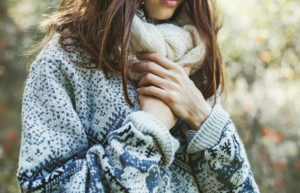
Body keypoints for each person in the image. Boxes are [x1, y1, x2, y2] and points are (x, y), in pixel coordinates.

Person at [17, 0, 260, 192]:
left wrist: (204, 120)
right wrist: (147, 131)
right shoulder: (64, 63)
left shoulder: (197, 59)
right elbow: (45, 187)